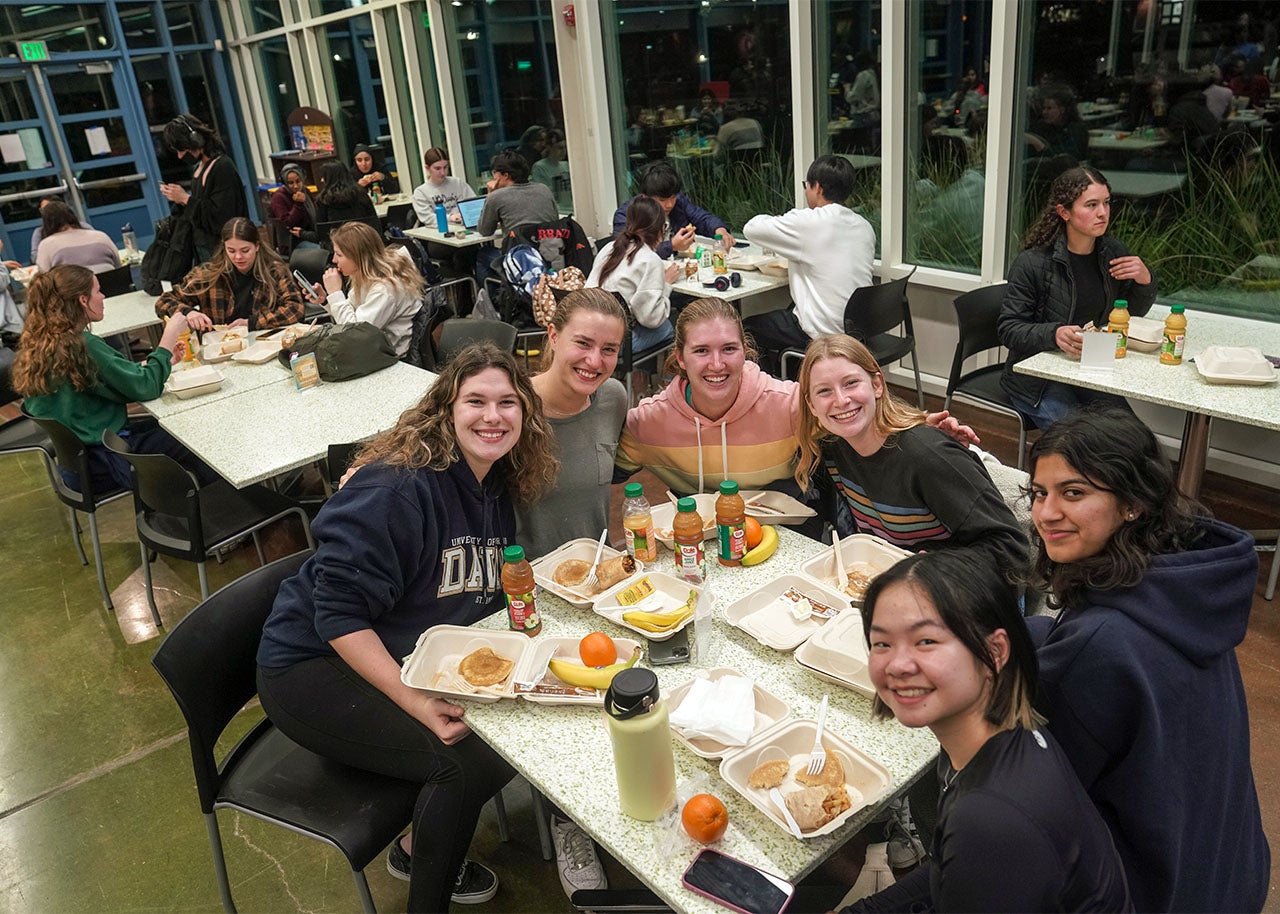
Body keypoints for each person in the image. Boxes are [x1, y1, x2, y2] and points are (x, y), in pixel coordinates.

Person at [255, 343, 559, 913]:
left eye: (507, 403)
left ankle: (417, 846)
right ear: (447, 409)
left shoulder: (491, 479)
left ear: (525, 414)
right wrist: (415, 700)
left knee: (514, 730)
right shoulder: (396, 490)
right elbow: (338, 615)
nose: (492, 416)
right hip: (314, 664)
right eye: (475, 401)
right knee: (465, 763)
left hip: (406, 650)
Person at [1024, 407, 1269, 913]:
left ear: (1132, 503)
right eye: (1039, 493)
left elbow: (1029, 793)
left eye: (1074, 493)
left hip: (1148, 896)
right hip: (1228, 874)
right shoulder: (1184, 589)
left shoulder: (1100, 644)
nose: (1046, 513)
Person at [840, 551, 1131, 913]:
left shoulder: (990, 818)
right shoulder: (1009, 730)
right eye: (882, 643)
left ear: (995, 652)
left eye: (926, 641)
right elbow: (949, 868)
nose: (897, 665)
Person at [614, 299, 976, 506]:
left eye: (729, 349)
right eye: (701, 351)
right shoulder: (648, 424)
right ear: (680, 357)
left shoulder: (789, 405)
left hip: (782, 545)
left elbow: (853, 416)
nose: (717, 364)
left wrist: (917, 428)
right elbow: (602, 469)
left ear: (745, 351)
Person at [793, 334, 1026, 571]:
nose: (841, 400)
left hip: (957, 582)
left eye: (851, 383)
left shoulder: (927, 457)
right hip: (891, 575)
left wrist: (935, 568)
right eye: (824, 391)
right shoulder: (830, 449)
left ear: (877, 385)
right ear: (811, 405)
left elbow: (1012, 549)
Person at [12, 264, 205, 494]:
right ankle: (216, 507)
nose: (103, 297)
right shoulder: (83, 345)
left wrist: (160, 361)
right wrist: (168, 336)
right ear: (83, 300)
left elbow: (109, 376)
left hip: (76, 466)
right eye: (98, 291)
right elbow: (147, 387)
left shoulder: (41, 344)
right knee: (196, 434)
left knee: (173, 425)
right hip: (107, 461)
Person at [997, 166, 1156, 428]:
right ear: (1064, 212)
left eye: (1106, 203)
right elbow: (1009, 329)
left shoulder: (1111, 252)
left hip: (1090, 367)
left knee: (1131, 435)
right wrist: (1054, 334)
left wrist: (1145, 281)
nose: (1103, 213)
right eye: (1091, 205)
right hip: (1037, 378)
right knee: (1080, 438)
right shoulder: (1033, 262)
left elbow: (1131, 313)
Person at [741, 155, 875, 371]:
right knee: (791, 309)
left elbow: (751, 228)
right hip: (857, 328)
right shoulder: (864, 226)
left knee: (747, 329)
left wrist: (777, 220)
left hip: (824, 331)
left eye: (806, 185)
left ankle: (768, 387)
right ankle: (795, 376)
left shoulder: (809, 221)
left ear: (817, 188)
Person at [155, 218, 304, 332]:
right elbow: (164, 301)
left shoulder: (275, 272)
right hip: (218, 348)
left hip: (263, 345)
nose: (238, 257)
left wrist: (251, 323)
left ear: (257, 246)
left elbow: (295, 308)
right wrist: (188, 312)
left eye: (245, 250)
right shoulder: (207, 274)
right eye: (231, 251)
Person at [586, 197, 679, 352]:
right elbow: (651, 318)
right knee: (672, 325)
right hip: (617, 343)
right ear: (661, 229)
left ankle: (637, 371)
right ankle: (661, 369)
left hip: (590, 330)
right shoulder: (650, 259)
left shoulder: (609, 248)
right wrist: (666, 284)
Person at [320, 221, 424, 358]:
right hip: (374, 348)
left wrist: (335, 293)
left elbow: (354, 334)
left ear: (357, 257)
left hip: (392, 357)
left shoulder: (385, 289)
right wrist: (326, 301)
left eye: (339, 255)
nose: (334, 260)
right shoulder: (367, 275)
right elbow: (351, 314)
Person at [160, 114, 248, 264]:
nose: (180, 156)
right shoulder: (199, 169)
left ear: (196, 141)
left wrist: (185, 199)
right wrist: (180, 201)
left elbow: (223, 218)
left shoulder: (222, 167)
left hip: (222, 251)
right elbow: (199, 212)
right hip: (204, 248)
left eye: (182, 150)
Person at [611, 161, 734, 260]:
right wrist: (672, 246)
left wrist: (720, 230)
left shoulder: (679, 202)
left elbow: (702, 218)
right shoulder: (625, 215)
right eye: (662, 200)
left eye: (673, 197)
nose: (669, 204)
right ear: (645, 197)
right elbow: (628, 254)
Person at [474, 151, 558, 284]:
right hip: (549, 254)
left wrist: (490, 194)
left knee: (483, 253)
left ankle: (496, 295)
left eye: (494, 173)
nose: (493, 177)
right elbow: (555, 220)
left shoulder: (496, 197)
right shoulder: (544, 189)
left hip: (518, 258)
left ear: (505, 175)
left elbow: (485, 230)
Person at [34, 201, 121, 274]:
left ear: (46, 223)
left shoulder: (46, 245)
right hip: (112, 287)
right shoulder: (101, 236)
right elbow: (119, 267)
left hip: (73, 288)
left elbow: (45, 279)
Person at [411, 146, 476, 226]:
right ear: (427, 168)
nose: (443, 172)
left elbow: (473, 204)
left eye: (445, 167)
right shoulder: (420, 192)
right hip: (438, 230)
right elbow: (428, 219)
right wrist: (450, 218)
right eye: (437, 168)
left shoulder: (457, 183)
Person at [1025, 85, 1089, 161]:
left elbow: (1069, 158)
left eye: (1049, 108)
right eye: (1043, 108)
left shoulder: (1077, 129)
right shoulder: (1041, 127)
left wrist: (1039, 144)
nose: (1044, 112)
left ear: (1062, 110)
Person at [269, 163, 318, 251]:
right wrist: (298, 204)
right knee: (321, 250)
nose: (295, 186)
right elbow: (287, 223)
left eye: (298, 181)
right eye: (290, 183)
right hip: (293, 242)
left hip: (310, 235)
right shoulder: (279, 197)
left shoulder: (306, 192)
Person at [29, 195, 91, 263]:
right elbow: (34, 257)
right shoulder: (39, 232)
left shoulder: (83, 227)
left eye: (47, 209)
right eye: (42, 210)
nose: (44, 213)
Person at [315, 162, 378, 227]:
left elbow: (321, 228)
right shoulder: (361, 194)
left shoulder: (324, 200)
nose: (322, 180)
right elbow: (374, 220)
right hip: (364, 232)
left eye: (324, 177)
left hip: (337, 233)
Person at [530, 129, 572, 212]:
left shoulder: (566, 165)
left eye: (565, 147)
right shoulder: (540, 167)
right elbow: (542, 195)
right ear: (549, 147)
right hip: (556, 211)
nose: (563, 151)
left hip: (571, 209)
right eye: (559, 148)